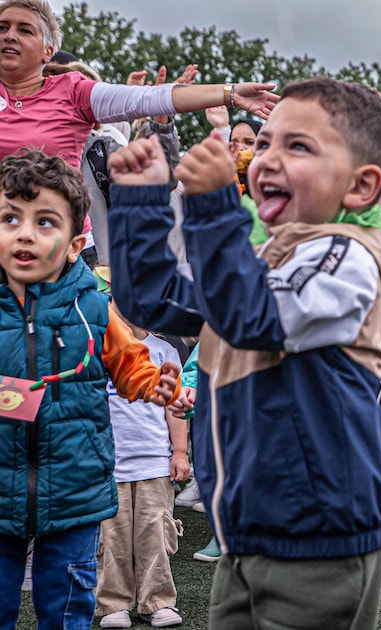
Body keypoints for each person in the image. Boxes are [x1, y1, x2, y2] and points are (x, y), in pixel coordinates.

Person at [106, 77, 381, 629]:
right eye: (264, 142)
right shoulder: (262, 257)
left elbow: (251, 316)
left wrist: (214, 208)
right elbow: (151, 300)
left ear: (361, 186)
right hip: (249, 530)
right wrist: (140, 202)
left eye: (298, 145)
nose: (266, 158)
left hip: (317, 536)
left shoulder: (351, 256)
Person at [0, 149, 181, 630]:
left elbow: (132, 367)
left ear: (75, 245)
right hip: (0, 492)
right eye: (10, 218)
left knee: (67, 608)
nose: (24, 233)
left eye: (44, 222)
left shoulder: (95, 311)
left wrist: (157, 385)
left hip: (75, 491)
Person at [0, 0, 277, 169]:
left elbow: (149, 98)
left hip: (62, 242)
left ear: (48, 52)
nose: (10, 36)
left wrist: (229, 93)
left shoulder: (73, 92)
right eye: (2, 27)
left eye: (24, 30)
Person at [94, 322, 189, 629]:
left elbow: (175, 407)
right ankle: (113, 603)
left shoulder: (164, 352)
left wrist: (179, 452)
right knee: (112, 537)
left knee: (154, 535)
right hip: (108, 465)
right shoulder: (99, 351)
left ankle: (157, 601)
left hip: (154, 463)